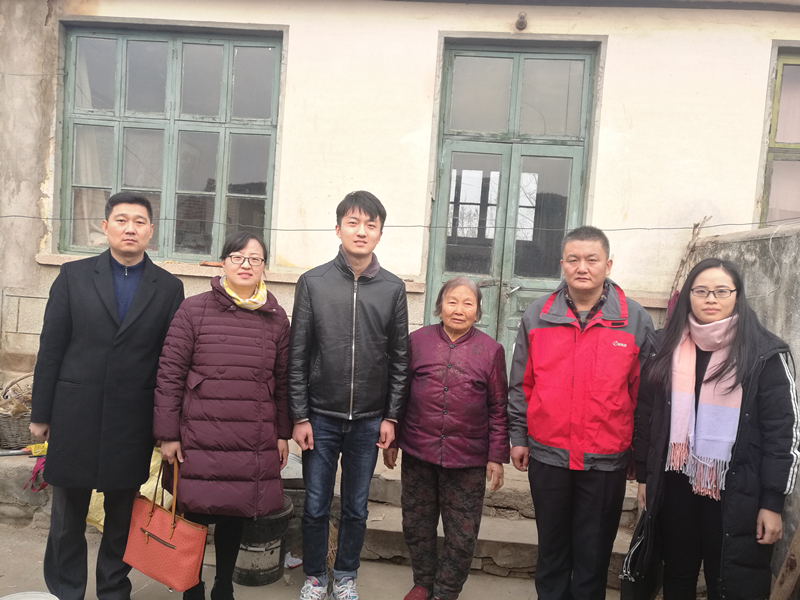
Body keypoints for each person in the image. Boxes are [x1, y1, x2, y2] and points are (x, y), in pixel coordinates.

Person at [29, 191, 185, 600]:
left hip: (132, 420)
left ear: (150, 231)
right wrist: (40, 413)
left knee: (122, 516)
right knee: (67, 517)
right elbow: (51, 347)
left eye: (139, 221)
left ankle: (114, 590)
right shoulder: (73, 276)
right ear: (105, 226)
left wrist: (166, 426)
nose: (130, 228)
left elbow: (169, 363)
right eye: (121, 220)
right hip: (74, 414)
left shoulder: (169, 288)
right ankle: (66, 590)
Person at [632, 258, 799, 600]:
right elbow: (647, 415)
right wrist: (646, 478)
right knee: (677, 574)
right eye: (701, 291)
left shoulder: (764, 353)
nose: (711, 299)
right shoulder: (665, 346)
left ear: (737, 295)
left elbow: (781, 433)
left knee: (726, 582)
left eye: (721, 291)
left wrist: (772, 503)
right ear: (688, 296)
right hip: (675, 485)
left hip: (735, 491)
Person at [507, 225, 654, 600]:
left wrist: (639, 453)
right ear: (562, 264)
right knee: (552, 552)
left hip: (605, 459)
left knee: (593, 557)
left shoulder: (635, 319)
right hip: (548, 455)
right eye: (573, 259)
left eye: (592, 259)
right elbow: (522, 383)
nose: (582, 267)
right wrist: (519, 437)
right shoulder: (538, 314)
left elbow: (645, 395)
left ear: (608, 264)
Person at [153, 231, 291, 600]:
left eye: (255, 259)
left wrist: (282, 433)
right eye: (237, 257)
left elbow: (283, 380)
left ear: (264, 266)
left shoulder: (276, 318)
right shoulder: (193, 310)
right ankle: (191, 584)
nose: (246, 265)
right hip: (200, 432)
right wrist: (167, 434)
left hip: (251, 434)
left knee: (236, 511)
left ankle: (223, 585)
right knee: (194, 513)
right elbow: (169, 374)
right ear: (223, 262)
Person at [288, 190, 410, 600]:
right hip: (320, 417)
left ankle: (345, 576)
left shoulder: (392, 288)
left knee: (357, 506)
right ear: (338, 229)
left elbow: (399, 358)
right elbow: (298, 354)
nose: (361, 231)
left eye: (370, 225)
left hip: (370, 420)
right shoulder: (314, 282)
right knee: (316, 505)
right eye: (353, 223)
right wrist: (299, 416)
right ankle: (314, 577)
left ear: (380, 233)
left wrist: (391, 416)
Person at [383, 277, 509, 600]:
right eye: (452, 302)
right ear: (439, 307)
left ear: (478, 311)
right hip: (418, 451)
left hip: (468, 458)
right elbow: (399, 392)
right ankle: (423, 582)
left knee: (462, 533)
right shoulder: (417, 341)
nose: (459, 310)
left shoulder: (491, 351)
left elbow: (498, 407)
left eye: (468, 303)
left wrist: (496, 456)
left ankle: (446, 591)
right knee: (416, 523)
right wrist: (393, 440)